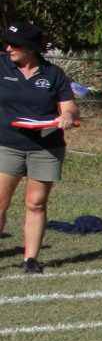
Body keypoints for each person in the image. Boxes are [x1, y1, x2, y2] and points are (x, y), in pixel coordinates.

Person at [0, 22, 78, 273]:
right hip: (7, 143)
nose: (9, 47)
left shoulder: (52, 73)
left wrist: (66, 116)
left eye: (15, 44)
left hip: (46, 146)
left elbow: (68, 105)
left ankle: (30, 259)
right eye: (7, 43)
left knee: (36, 203)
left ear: (31, 48)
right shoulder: (2, 66)